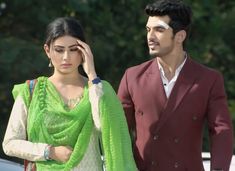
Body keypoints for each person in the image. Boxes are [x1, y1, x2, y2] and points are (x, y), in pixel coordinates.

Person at [2, 17, 137, 171]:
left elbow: (104, 125)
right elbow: (10, 143)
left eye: (73, 49)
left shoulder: (98, 89)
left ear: (83, 51)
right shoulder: (31, 91)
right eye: (59, 50)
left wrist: (92, 74)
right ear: (47, 50)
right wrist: (49, 151)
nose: (66, 57)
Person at [117, 0, 234, 171]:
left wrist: (218, 170)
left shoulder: (209, 79)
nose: (150, 36)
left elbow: (221, 130)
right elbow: (117, 130)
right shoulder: (132, 77)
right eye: (148, 29)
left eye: (159, 30)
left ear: (180, 36)